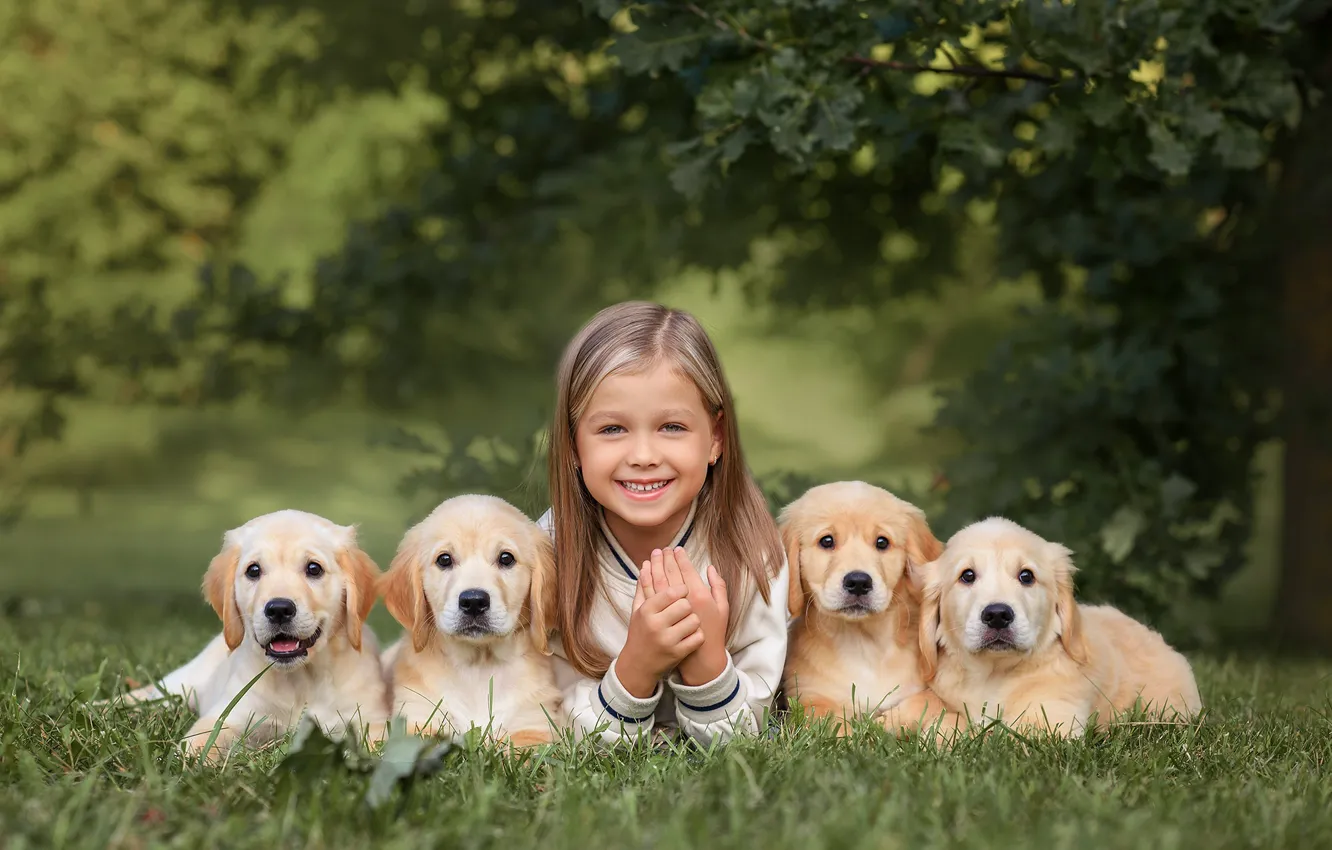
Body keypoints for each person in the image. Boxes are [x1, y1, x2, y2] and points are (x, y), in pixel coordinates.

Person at [539, 300, 789, 747]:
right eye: (612, 429)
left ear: (715, 437)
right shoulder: (545, 553)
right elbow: (562, 732)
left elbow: (743, 741)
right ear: (573, 445)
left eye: (672, 427)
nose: (643, 456)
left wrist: (706, 663)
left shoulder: (753, 552)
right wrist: (636, 665)